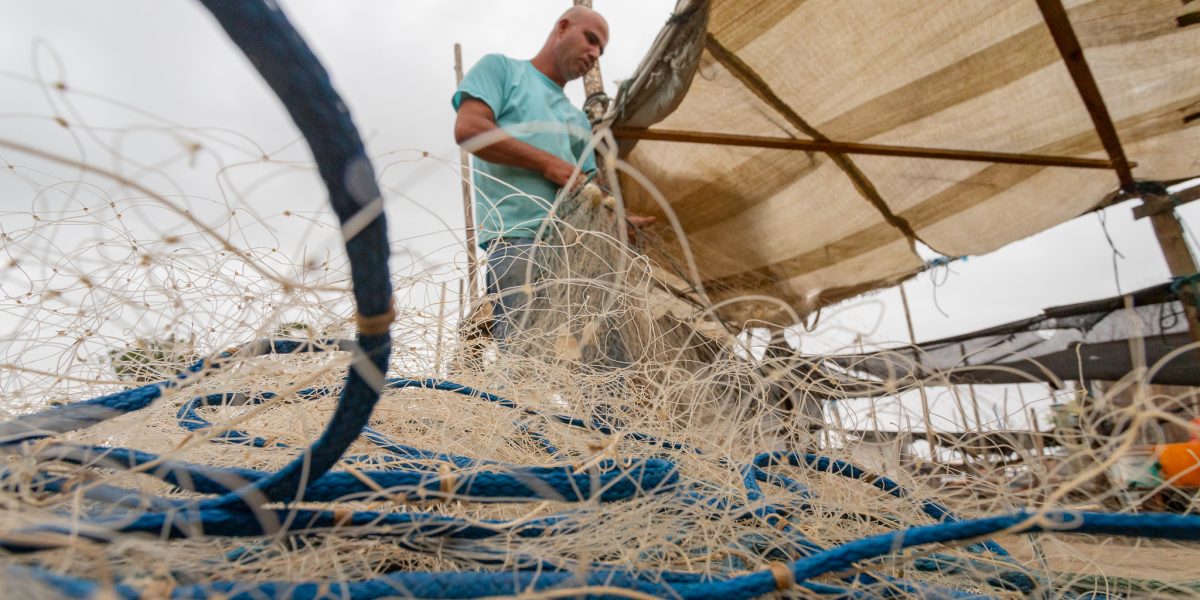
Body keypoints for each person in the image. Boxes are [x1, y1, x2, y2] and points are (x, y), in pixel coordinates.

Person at [452, 6, 652, 346]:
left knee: (606, 370)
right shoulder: (501, 70)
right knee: (525, 367)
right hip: (518, 245)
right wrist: (547, 163)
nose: (594, 54)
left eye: (601, 50)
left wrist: (618, 218)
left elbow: (588, 192)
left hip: (576, 259)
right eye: (591, 40)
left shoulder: (576, 119)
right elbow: (470, 128)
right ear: (562, 28)